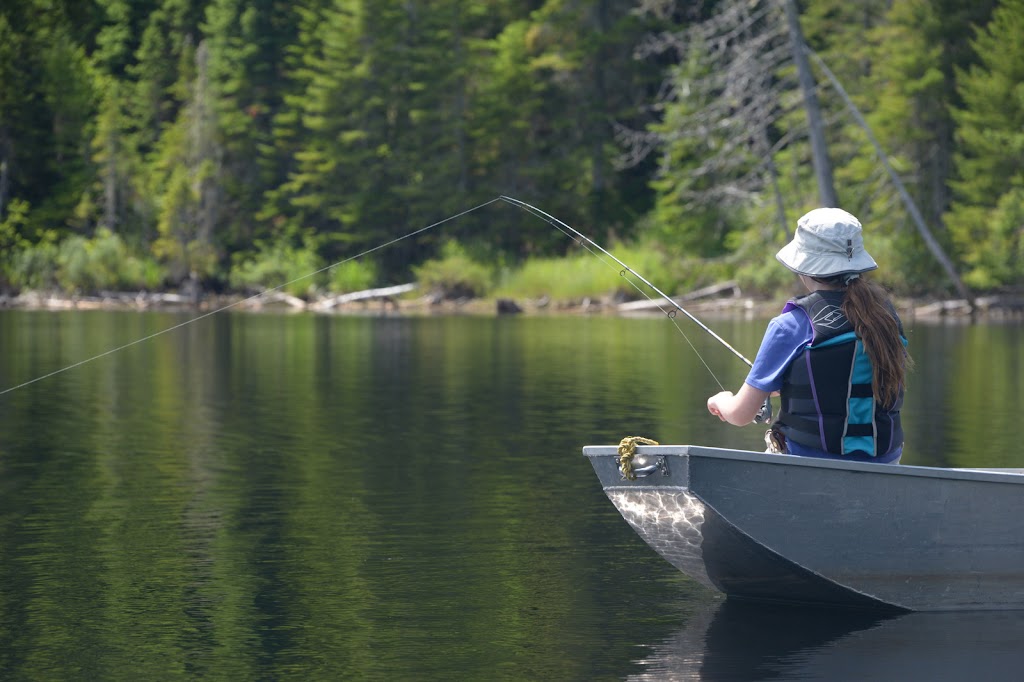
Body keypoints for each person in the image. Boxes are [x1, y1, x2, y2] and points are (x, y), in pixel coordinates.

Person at [706, 208, 912, 463]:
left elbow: (740, 415)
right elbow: (852, 380)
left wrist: (722, 400)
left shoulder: (789, 326)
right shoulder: (886, 317)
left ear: (803, 267)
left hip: (809, 461)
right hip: (885, 460)